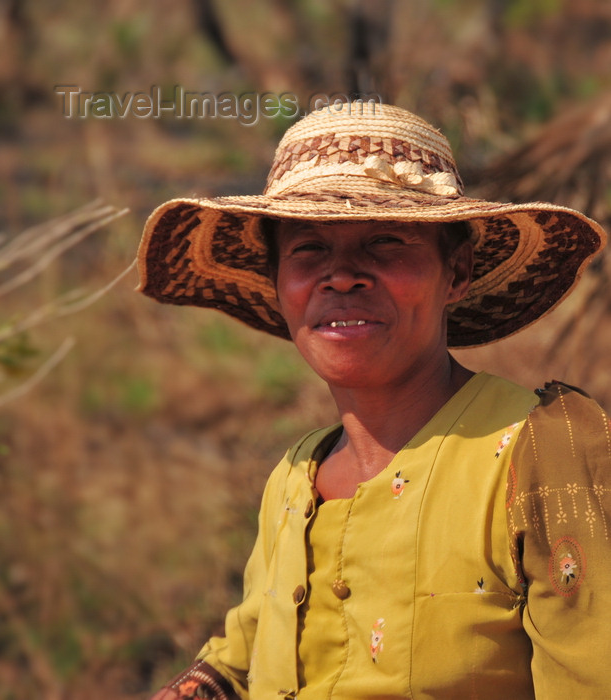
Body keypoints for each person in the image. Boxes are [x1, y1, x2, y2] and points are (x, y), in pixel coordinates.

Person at [136, 102, 609, 699]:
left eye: (385, 242)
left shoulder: (542, 449)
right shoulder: (294, 477)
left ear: (455, 272)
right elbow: (247, 651)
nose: (342, 276)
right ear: (280, 283)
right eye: (308, 249)